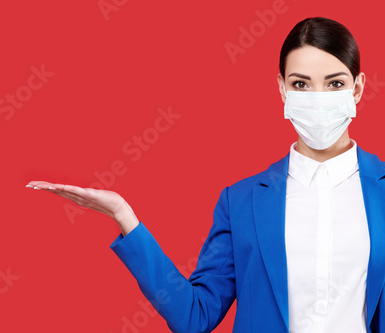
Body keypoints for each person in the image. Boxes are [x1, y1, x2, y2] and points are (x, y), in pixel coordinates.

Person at [26, 17, 385, 333]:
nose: (317, 97)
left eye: (335, 84)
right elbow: (194, 317)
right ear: (282, 89)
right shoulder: (241, 201)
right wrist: (125, 217)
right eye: (301, 84)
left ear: (357, 88)